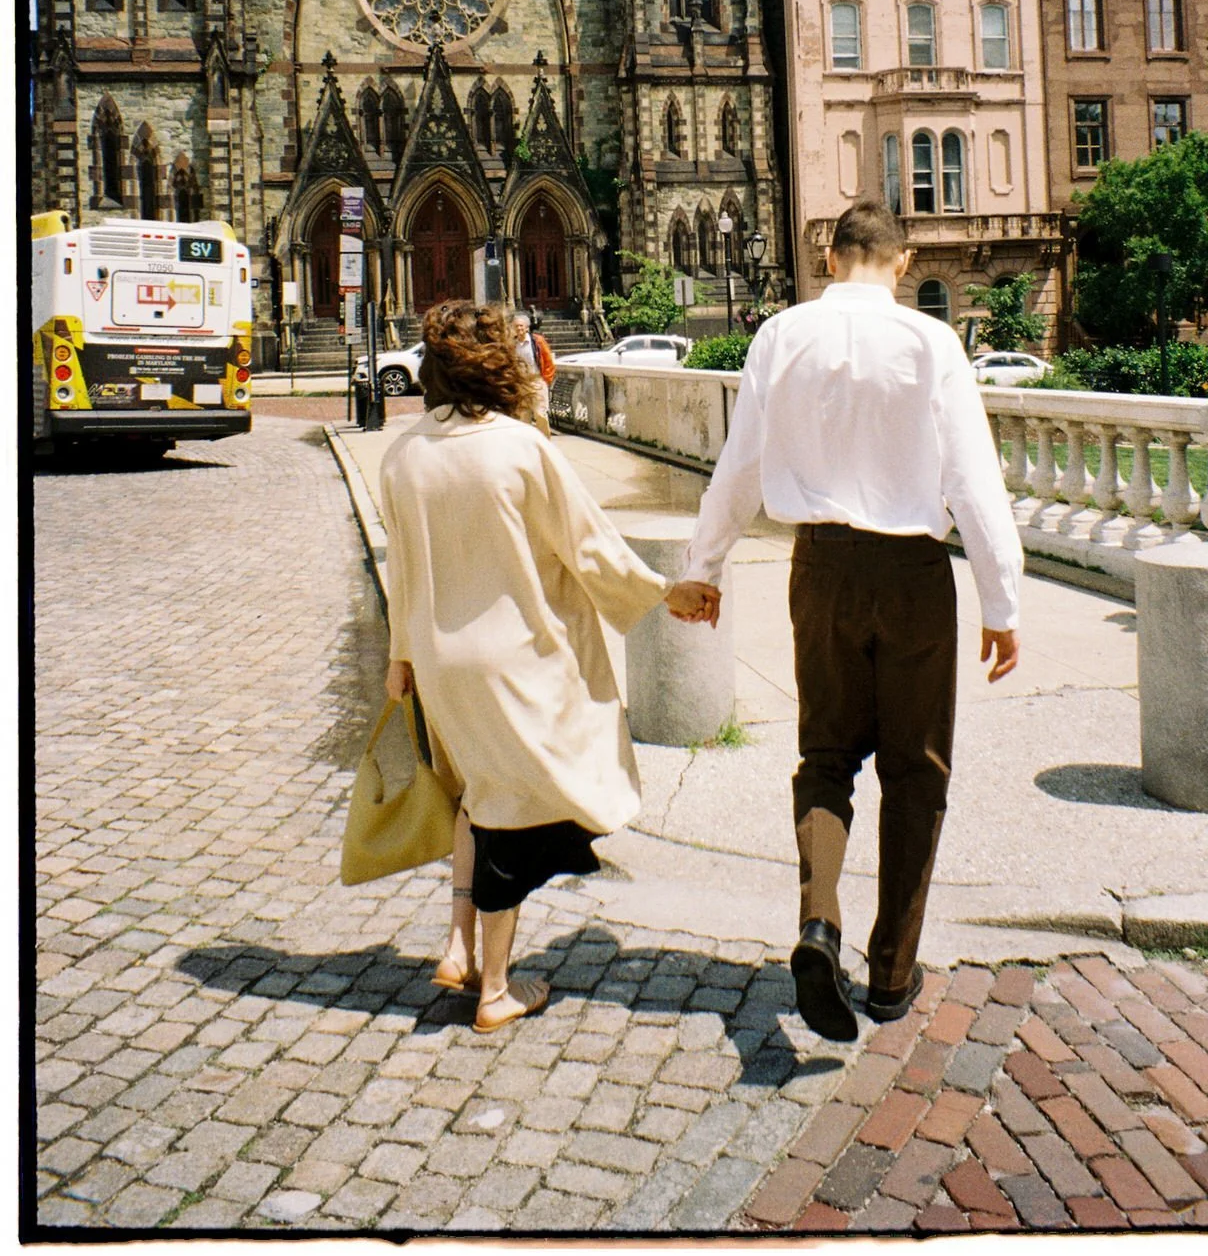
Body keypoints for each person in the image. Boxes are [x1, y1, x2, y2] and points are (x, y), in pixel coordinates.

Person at [664, 200, 1021, 1042]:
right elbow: (973, 480)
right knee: (915, 769)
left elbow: (740, 464)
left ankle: (817, 921)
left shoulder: (780, 335)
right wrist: (1001, 602)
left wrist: (701, 568)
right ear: (901, 264)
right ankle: (891, 971)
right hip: (910, 572)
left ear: (830, 258)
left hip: (819, 564)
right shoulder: (931, 341)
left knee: (824, 754)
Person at [381, 300, 667, 1033]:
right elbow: (589, 546)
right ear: (497, 366)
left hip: (442, 659)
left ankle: (456, 946)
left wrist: (399, 657)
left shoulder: (403, 453)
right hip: (515, 657)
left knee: (474, 795)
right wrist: (663, 592)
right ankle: (497, 989)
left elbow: (403, 569)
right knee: (512, 812)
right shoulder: (516, 446)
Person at [513, 310, 556, 434]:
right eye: (516, 326)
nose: (519, 328)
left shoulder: (537, 341)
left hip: (536, 382)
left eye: (521, 326)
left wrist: (545, 381)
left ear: (527, 328)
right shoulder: (512, 344)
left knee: (540, 414)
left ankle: (544, 443)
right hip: (521, 384)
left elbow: (549, 362)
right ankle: (526, 445)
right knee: (523, 416)